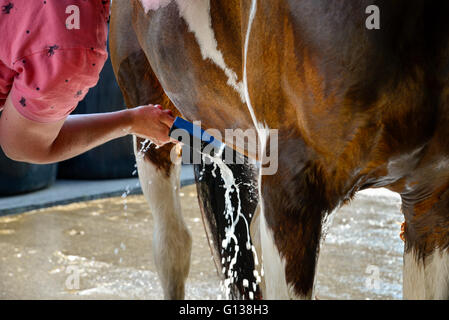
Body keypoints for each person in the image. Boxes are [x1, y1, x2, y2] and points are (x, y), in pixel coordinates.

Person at [0, 0, 174, 165]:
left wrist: (131, 122)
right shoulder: (63, 58)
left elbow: (24, 145)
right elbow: (22, 145)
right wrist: (131, 122)